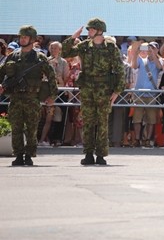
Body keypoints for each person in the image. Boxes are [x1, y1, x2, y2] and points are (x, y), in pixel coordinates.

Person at [61, 18, 125, 165]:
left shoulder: (110, 48)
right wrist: (73, 38)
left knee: (102, 122)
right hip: (88, 88)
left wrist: (116, 92)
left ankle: (101, 155)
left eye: (91, 29)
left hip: (104, 89)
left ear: (100, 30)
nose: (88, 31)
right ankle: (88, 153)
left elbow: (120, 70)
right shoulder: (84, 46)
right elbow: (65, 52)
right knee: (88, 122)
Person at [0, 25, 57, 166]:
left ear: (31, 39)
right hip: (16, 98)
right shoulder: (12, 56)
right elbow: (1, 72)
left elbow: (51, 76)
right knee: (16, 128)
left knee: (31, 129)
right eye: (21, 37)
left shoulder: (39, 57)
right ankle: (18, 154)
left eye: (25, 37)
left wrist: (52, 96)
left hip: (32, 98)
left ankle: (29, 155)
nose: (22, 39)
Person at [128, 41, 161, 147]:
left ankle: (147, 139)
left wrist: (153, 54)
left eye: (153, 48)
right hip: (139, 93)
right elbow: (133, 65)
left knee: (151, 119)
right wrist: (136, 52)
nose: (150, 51)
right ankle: (137, 139)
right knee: (137, 118)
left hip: (151, 94)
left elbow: (160, 67)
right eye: (149, 49)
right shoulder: (142, 60)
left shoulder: (157, 61)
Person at [39, 41, 70, 147]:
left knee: (58, 117)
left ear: (60, 50)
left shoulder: (64, 62)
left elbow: (66, 78)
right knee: (45, 117)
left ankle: (56, 138)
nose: (53, 50)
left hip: (59, 92)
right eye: (51, 48)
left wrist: (58, 76)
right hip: (46, 91)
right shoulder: (45, 61)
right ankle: (42, 139)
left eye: (55, 48)